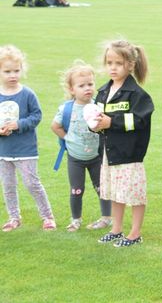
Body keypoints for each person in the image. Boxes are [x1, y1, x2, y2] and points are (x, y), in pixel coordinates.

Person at [93, 40, 154, 247]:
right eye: (109, 62)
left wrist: (112, 122)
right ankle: (116, 229)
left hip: (129, 155)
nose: (112, 67)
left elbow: (140, 120)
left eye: (118, 63)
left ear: (130, 65)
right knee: (115, 192)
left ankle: (135, 233)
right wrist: (94, 124)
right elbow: (95, 116)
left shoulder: (137, 95)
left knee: (134, 195)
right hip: (109, 153)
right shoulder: (102, 91)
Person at [51, 60, 112, 232]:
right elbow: (55, 126)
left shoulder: (98, 105)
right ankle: (76, 220)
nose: (87, 88)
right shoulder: (66, 109)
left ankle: (106, 218)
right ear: (72, 89)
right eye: (81, 85)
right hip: (75, 158)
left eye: (90, 84)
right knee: (76, 190)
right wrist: (68, 138)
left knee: (102, 188)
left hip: (96, 157)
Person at [0, 45, 56, 232]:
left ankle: (47, 216)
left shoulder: (27, 94)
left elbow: (36, 116)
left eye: (16, 70)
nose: (12, 75)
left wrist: (19, 124)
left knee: (32, 183)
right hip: (4, 150)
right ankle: (14, 217)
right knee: (8, 186)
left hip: (26, 149)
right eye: (7, 71)